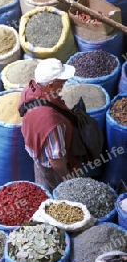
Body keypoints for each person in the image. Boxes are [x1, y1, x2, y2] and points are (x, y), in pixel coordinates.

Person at [18, 58, 80, 193]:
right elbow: (55, 159)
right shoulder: (50, 120)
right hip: (52, 169)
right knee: (58, 196)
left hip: (38, 157)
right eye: (62, 82)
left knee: (43, 188)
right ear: (50, 85)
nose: (65, 84)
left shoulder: (30, 90)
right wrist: (67, 177)